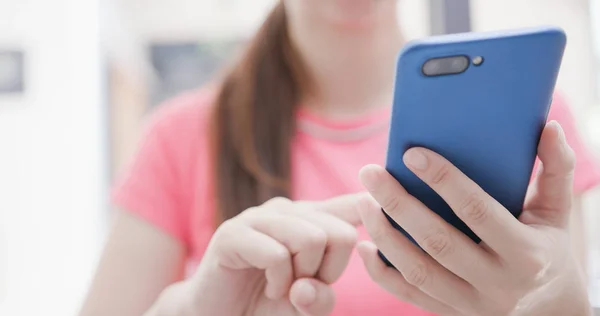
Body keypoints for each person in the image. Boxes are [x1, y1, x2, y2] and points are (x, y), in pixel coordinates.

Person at [80, 1, 600, 315]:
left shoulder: (532, 111)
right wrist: (195, 309)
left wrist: (563, 309)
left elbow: (557, 293)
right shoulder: (182, 136)